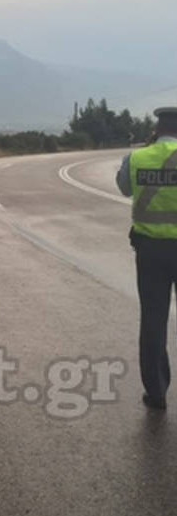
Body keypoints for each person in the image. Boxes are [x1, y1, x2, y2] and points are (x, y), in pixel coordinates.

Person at [116, 107, 177, 410]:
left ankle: (156, 392)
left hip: (151, 251)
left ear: (157, 128)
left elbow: (124, 188)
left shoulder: (137, 158)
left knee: (153, 320)